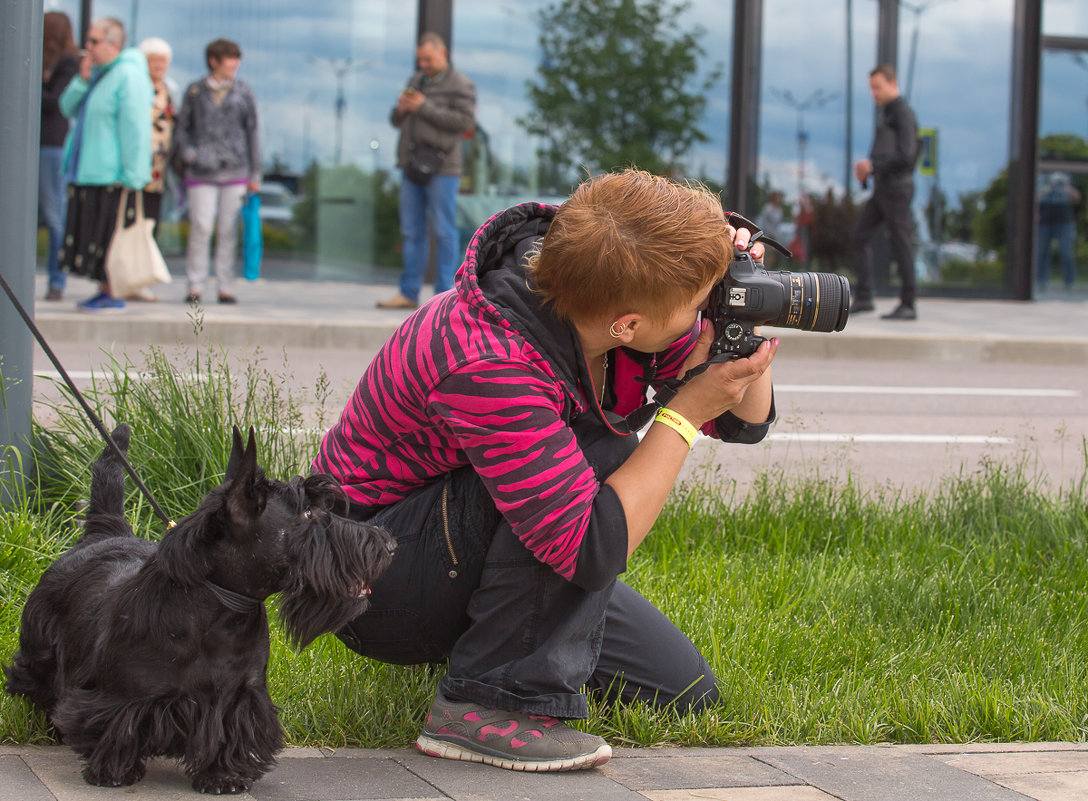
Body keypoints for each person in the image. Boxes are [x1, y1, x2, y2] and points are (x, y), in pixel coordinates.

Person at [314, 169, 777, 772]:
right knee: (595, 453)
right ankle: (484, 708)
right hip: (367, 575)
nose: (703, 313)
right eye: (700, 303)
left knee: (683, 693)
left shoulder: (604, 297)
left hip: (465, 539)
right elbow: (591, 546)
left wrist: (746, 306)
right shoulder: (490, 358)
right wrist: (683, 414)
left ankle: (500, 638)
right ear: (627, 324)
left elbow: (747, 421)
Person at [57, 17, 153, 313]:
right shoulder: (100, 74)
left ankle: (113, 291)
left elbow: (136, 128)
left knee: (109, 236)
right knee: (92, 234)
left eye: (94, 41)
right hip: (90, 170)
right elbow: (66, 108)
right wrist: (82, 80)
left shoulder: (128, 75)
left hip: (112, 175)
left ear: (114, 44)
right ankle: (104, 289)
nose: (88, 47)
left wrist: (134, 175)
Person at [378, 32, 476, 310]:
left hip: (443, 167)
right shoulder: (416, 80)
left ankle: (445, 297)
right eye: (420, 59)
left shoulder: (462, 85)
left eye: (428, 59)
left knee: (444, 230)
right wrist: (401, 109)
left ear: (443, 54)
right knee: (411, 231)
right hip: (411, 164)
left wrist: (424, 106)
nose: (423, 64)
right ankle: (408, 292)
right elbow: (397, 121)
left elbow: (464, 122)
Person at [173, 38, 261, 305]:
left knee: (227, 229)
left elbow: (253, 132)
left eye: (236, 59)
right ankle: (195, 284)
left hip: (235, 170)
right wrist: (189, 153)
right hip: (201, 171)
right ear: (214, 61)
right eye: (229, 59)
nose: (234, 64)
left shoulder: (244, 92)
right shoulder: (195, 92)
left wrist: (255, 173)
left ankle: (225, 285)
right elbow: (182, 129)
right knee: (201, 226)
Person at [850, 64, 919, 320]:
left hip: (897, 190)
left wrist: (873, 166)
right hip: (883, 190)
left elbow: (907, 156)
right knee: (859, 235)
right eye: (871, 88)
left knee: (901, 243)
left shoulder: (902, 113)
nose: (873, 93)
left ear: (893, 84)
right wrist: (869, 170)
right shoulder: (888, 115)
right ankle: (865, 296)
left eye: (877, 87)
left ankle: (909, 304)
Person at [125, 36, 177, 303]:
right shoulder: (137, 88)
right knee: (131, 227)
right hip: (135, 171)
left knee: (151, 228)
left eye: (163, 61)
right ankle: (126, 279)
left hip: (159, 174)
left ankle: (143, 281)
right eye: (154, 61)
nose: (159, 66)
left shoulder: (170, 91)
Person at [39, 11, 80, 302]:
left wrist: (33, 85)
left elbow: (57, 104)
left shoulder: (68, 63)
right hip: (38, 146)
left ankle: (57, 280)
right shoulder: (47, 62)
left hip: (51, 145)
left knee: (55, 216)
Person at [1036, 171, 1080, 292]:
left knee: (1066, 253)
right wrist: (1050, 186)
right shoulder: (1042, 177)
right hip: (1044, 222)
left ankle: (1069, 283)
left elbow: (1076, 197)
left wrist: (1065, 187)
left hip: (1065, 222)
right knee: (1042, 253)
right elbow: (1036, 198)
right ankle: (1040, 282)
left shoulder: (1067, 177)